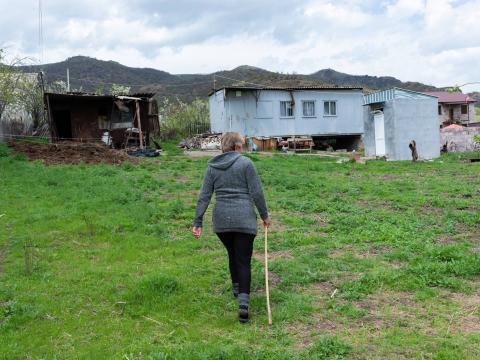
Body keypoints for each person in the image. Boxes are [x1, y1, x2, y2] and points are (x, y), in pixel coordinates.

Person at [192, 131, 270, 323]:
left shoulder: (212, 166)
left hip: (222, 222)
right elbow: (257, 192)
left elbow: (204, 195)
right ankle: (243, 304)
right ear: (236, 146)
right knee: (243, 259)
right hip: (244, 219)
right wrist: (264, 215)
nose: (242, 148)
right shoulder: (246, 163)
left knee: (233, 255)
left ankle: (236, 288)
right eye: (241, 145)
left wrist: (198, 221)